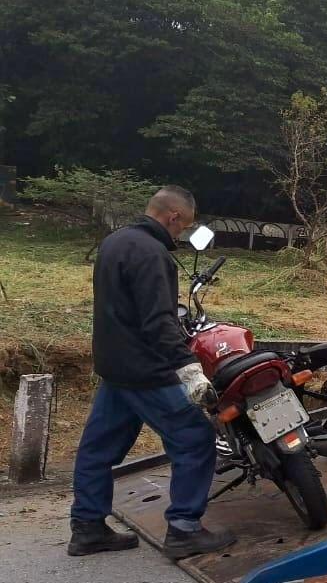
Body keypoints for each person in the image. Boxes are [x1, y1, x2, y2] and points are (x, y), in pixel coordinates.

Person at [68, 186, 236, 559]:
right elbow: (159, 321)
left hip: (114, 367)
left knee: (98, 450)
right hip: (147, 371)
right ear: (173, 216)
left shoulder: (114, 242)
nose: (181, 234)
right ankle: (185, 530)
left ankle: (87, 528)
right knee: (195, 439)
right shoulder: (152, 253)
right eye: (183, 226)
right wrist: (189, 369)